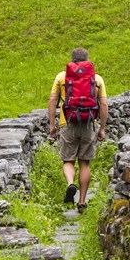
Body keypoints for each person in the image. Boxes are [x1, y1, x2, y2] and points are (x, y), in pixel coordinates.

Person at [48, 48, 108, 212]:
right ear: (87, 61)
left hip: (67, 123)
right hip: (89, 124)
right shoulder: (96, 79)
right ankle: (82, 201)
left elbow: (52, 100)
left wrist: (52, 125)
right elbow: (103, 104)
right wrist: (102, 128)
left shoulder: (62, 77)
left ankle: (70, 183)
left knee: (68, 161)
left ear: (72, 60)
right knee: (85, 163)